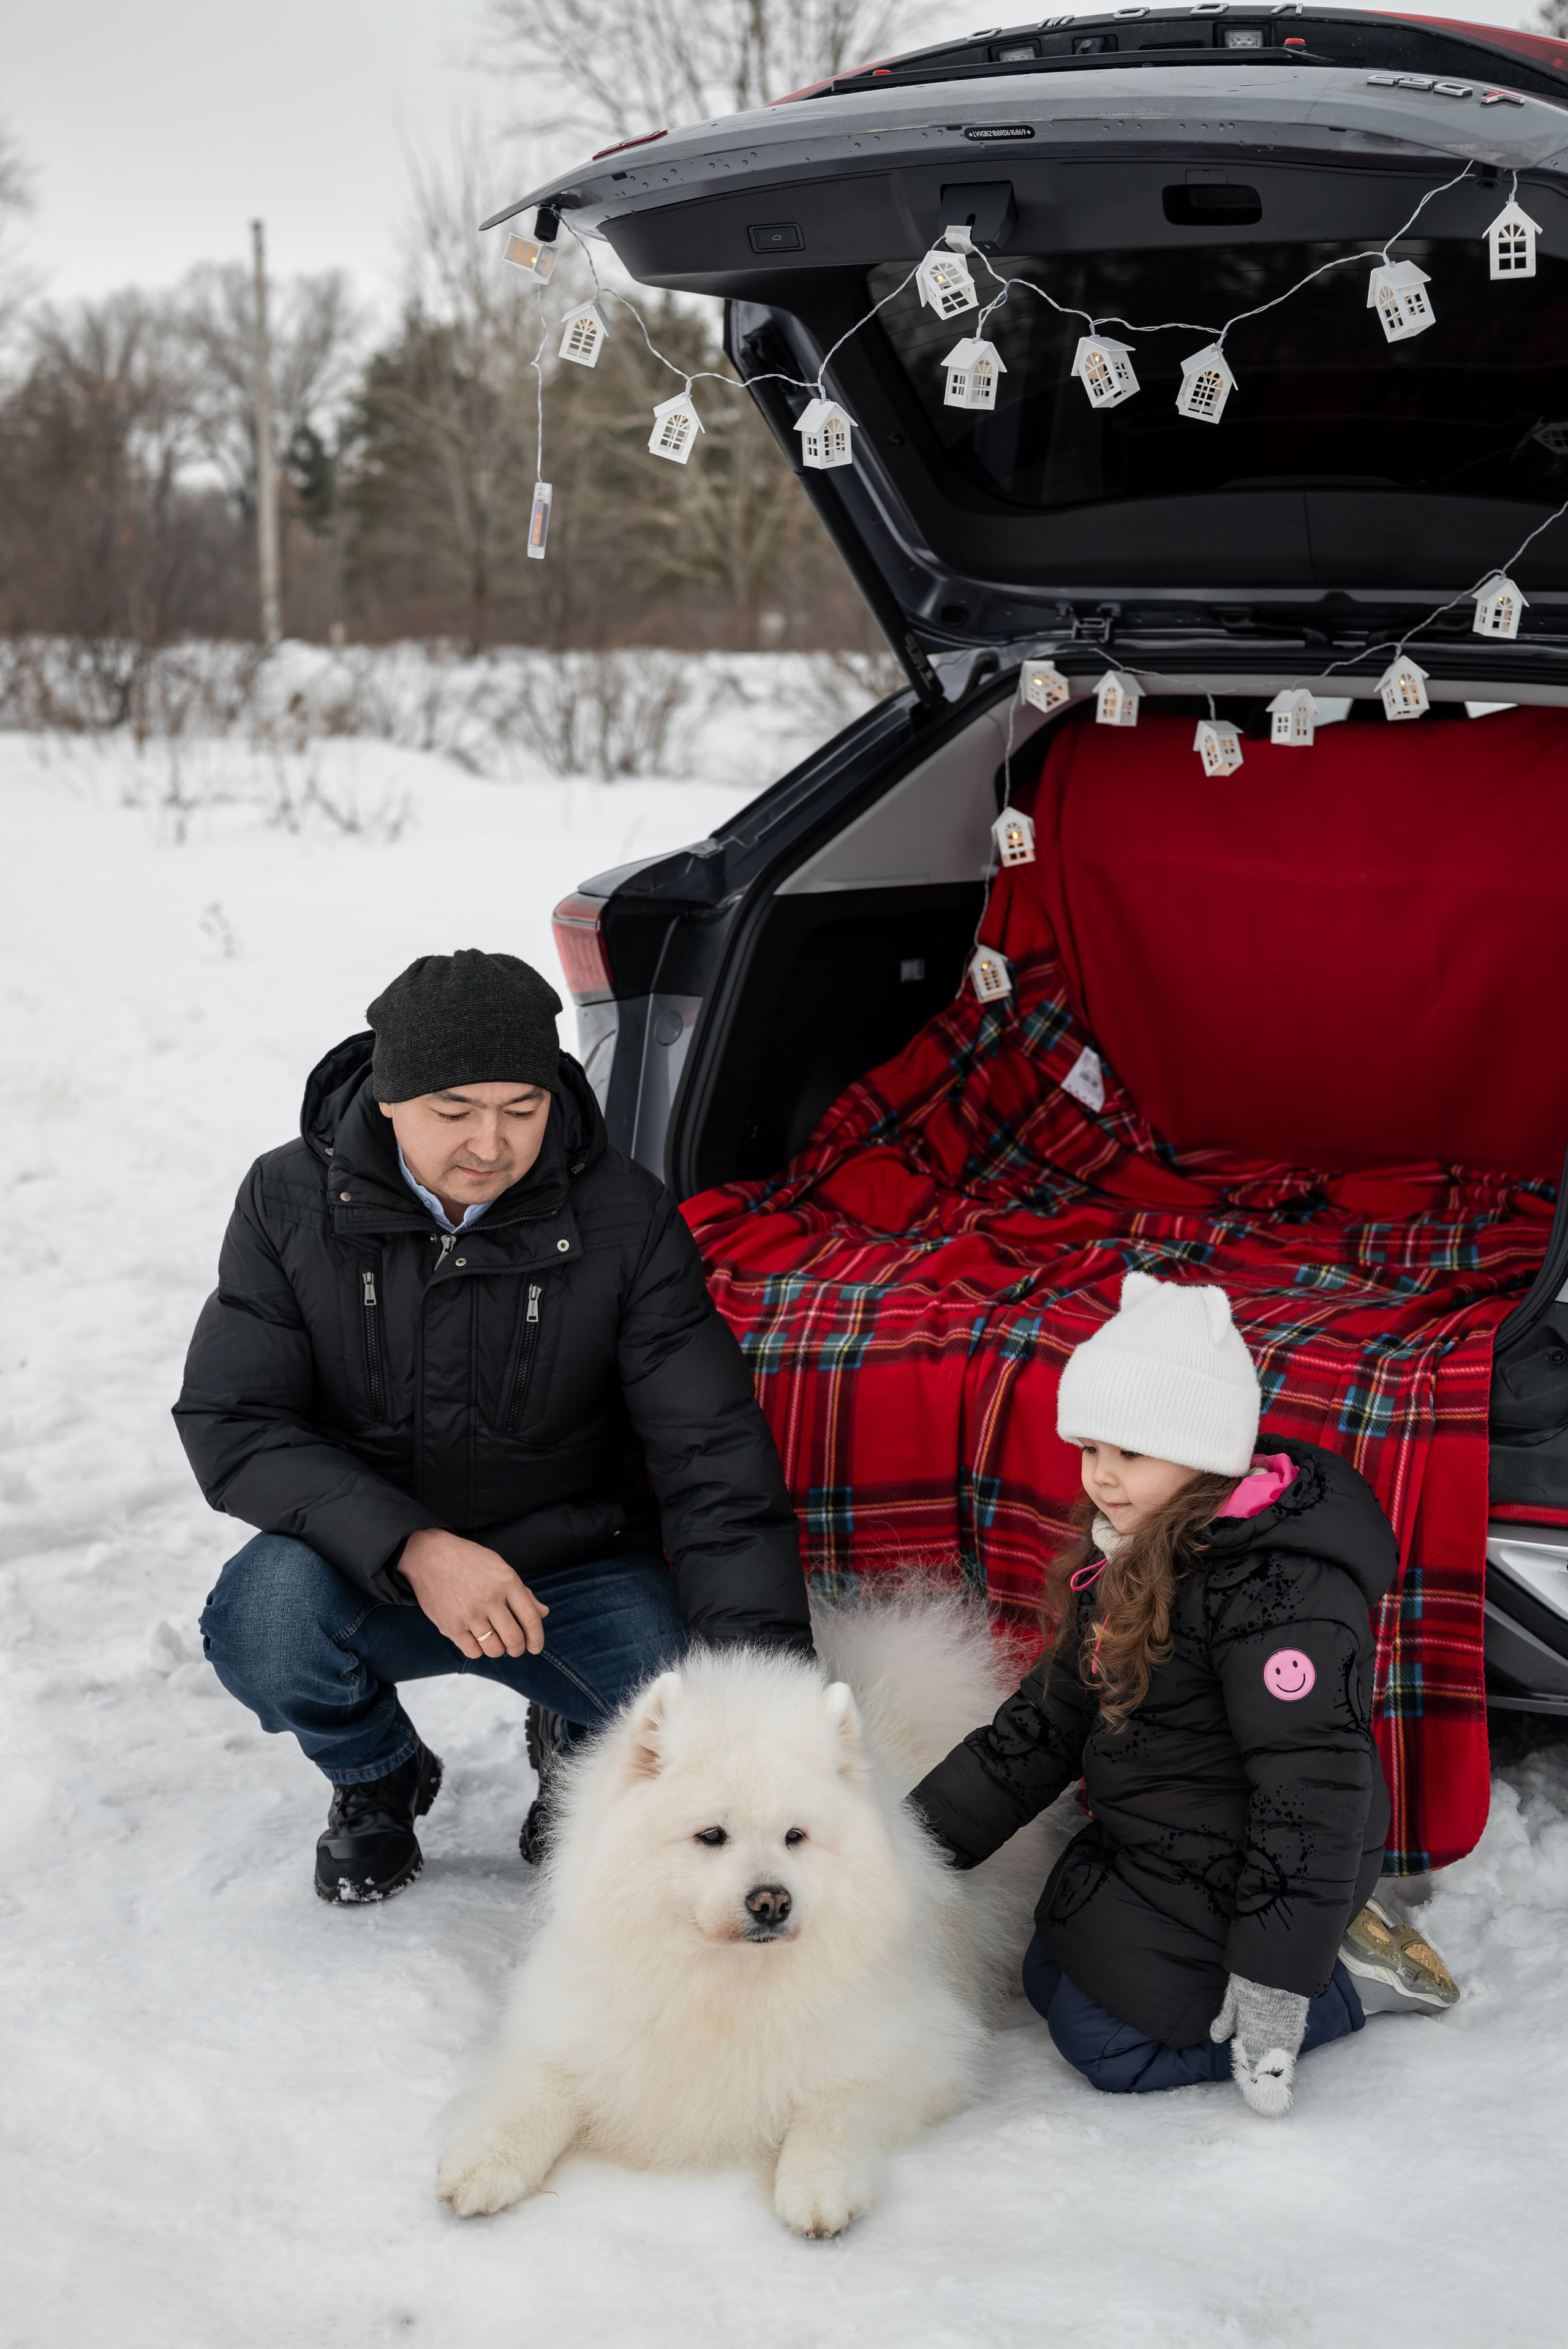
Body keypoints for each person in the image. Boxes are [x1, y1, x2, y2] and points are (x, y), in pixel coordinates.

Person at [175, 950, 810, 1905]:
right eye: (454, 1110)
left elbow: (711, 1453)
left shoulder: (626, 1215)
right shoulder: (286, 1200)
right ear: (389, 1098)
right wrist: (415, 1546)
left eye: (522, 1107)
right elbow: (235, 1419)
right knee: (261, 1623)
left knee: (686, 1714)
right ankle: (377, 1772)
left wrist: (767, 1703)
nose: (491, 1142)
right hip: (369, 1567)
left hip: (573, 1568)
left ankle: (581, 1742)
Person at [910, 1271, 1460, 2115]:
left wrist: (1276, 1980)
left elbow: (1312, 1791)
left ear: (1202, 1452)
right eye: (1090, 1449)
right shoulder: (1127, 1557)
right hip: (1170, 1843)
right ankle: (1307, 1954)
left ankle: (1341, 1979)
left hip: (1265, 1858)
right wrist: (906, 1845)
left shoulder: (1282, 1596)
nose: (1102, 1477)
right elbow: (1038, 1729)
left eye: (1129, 1452)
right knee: (1048, 1971)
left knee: (1112, 2046)